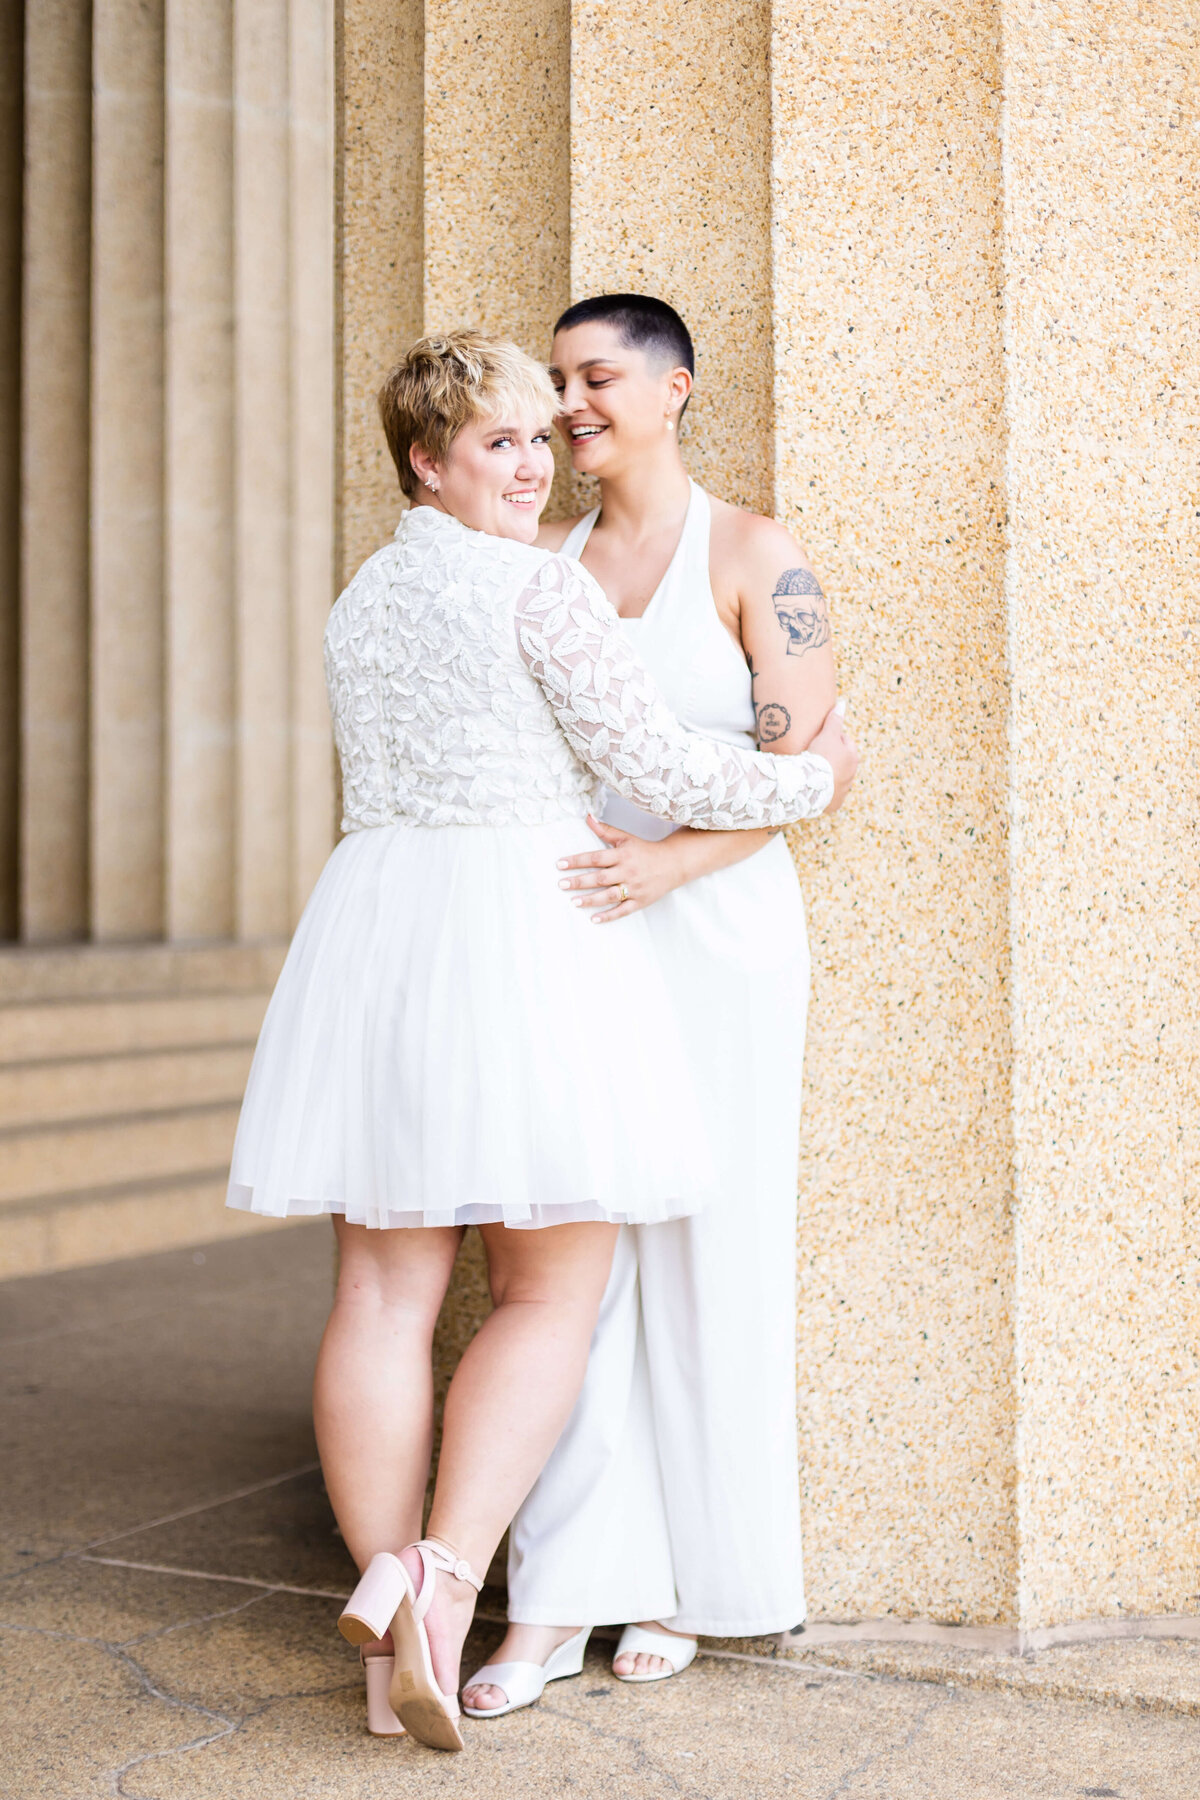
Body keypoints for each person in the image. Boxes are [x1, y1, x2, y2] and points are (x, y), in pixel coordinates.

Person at [225, 329, 858, 1751]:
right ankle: (445, 1579)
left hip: (379, 927)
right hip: (520, 929)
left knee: (384, 1296)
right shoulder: (540, 593)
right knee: (549, 1295)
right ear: (426, 463)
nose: (530, 464)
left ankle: (384, 1613)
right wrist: (810, 773)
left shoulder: (362, 599)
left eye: (535, 437)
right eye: (496, 443)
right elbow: (656, 766)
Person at [463, 295, 846, 1715]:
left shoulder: (756, 554)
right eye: (556, 382)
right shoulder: (538, 558)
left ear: (674, 388)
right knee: (579, 1261)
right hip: (574, 935)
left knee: (712, 1242)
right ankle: (570, 1587)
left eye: (598, 376)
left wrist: (666, 866)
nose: (571, 405)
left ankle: (695, 1578)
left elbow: (804, 765)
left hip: (721, 935)